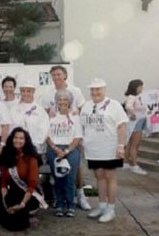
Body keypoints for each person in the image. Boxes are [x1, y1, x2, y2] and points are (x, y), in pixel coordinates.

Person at [42, 65, 91, 211]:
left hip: (73, 137)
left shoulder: (75, 91)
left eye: (59, 74)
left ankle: (80, 196)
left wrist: (80, 137)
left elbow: (82, 110)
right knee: (57, 171)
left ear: (65, 75)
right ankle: (60, 200)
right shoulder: (48, 93)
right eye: (54, 75)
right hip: (56, 139)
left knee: (76, 170)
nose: (56, 77)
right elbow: (44, 115)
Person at [80, 78, 128, 223]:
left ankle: (111, 209)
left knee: (110, 177)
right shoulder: (86, 106)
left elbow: (122, 126)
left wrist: (120, 146)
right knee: (99, 176)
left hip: (110, 148)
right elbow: (83, 126)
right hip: (93, 149)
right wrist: (83, 144)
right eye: (92, 90)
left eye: (98, 89)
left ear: (104, 90)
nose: (95, 92)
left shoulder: (114, 105)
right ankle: (101, 206)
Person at [0, 127, 48, 231]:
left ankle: (25, 214)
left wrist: (22, 204)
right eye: (15, 137)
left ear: (26, 141)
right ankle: (17, 213)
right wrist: (5, 202)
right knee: (4, 204)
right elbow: (3, 183)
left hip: (29, 194)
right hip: (14, 192)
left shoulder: (31, 157)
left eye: (21, 138)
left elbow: (32, 185)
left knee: (14, 223)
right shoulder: (7, 155)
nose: (18, 140)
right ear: (11, 139)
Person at [46, 90, 83, 218]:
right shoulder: (51, 117)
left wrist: (66, 151)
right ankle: (60, 205)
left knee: (70, 179)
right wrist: (56, 149)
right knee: (58, 179)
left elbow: (78, 137)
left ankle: (71, 205)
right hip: (54, 150)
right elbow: (47, 136)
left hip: (71, 150)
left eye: (65, 99)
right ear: (56, 101)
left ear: (69, 101)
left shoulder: (75, 117)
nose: (62, 102)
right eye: (60, 99)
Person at [10, 81, 49, 154]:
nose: (26, 93)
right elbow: (10, 128)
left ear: (33, 92)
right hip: (16, 149)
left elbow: (44, 130)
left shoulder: (40, 110)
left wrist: (33, 144)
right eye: (23, 91)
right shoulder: (14, 109)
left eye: (28, 91)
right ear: (20, 92)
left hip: (35, 149)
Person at [123, 80, 147, 175]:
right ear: (135, 87)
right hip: (135, 123)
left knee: (130, 144)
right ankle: (134, 165)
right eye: (140, 86)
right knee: (135, 145)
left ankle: (125, 163)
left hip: (139, 121)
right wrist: (132, 114)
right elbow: (128, 106)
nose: (142, 88)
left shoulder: (138, 97)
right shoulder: (132, 97)